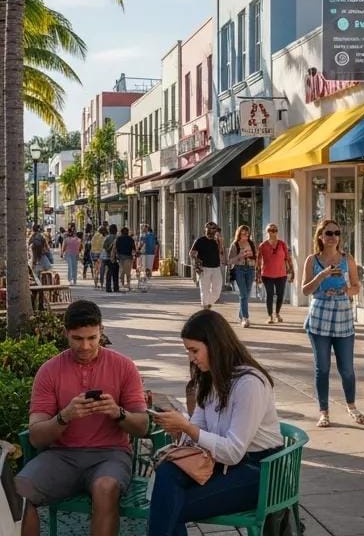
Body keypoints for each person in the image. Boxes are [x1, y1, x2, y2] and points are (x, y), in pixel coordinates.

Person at [14, 300, 149, 536]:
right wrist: (64, 417)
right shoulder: (49, 371)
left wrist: (118, 413)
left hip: (111, 454)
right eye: (77, 338)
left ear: (101, 331)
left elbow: (142, 426)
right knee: (17, 492)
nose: (85, 346)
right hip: (61, 456)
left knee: (105, 488)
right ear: (65, 333)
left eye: (92, 338)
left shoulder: (124, 366)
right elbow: (36, 437)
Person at [148, 310, 283, 536]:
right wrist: (179, 428)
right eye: (188, 351)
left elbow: (233, 452)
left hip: (260, 471)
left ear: (215, 345)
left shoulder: (249, 383)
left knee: (169, 505)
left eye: (194, 350)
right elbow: (198, 430)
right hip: (221, 464)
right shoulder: (210, 378)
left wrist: (187, 427)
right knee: (167, 474)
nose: (191, 358)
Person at [300, 219, 364, 428]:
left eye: (336, 233)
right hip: (320, 315)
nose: (333, 237)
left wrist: (346, 289)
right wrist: (322, 275)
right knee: (323, 368)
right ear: (320, 236)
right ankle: (324, 412)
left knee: (347, 368)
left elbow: (356, 286)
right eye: (328, 233)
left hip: (342, 315)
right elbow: (305, 290)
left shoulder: (347, 259)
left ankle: (351, 406)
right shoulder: (312, 260)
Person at [256, 224, 291, 324]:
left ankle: (277, 314)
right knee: (269, 295)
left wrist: (291, 271)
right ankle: (270, 316)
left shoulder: (282, 244)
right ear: (267, 232)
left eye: (275, 230)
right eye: (271, 230)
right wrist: (257, 275)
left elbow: (288, 258)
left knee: (280, 295)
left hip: (281, 274)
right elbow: (258, 262)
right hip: (267, 275)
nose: (273, 232)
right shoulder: (263, 245)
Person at [226, 225, 258, 328]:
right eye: (243, 233)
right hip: (239, 269)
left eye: (247, 234)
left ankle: (241, 315)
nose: (245, 236)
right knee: (243, 294)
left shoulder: (251, 243)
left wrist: (252, 258)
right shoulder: (235, 244)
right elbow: (229, 261)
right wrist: (239, 256)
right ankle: (245, 318)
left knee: (246, 294)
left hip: (250, 269)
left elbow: (256, 257)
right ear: (239, 234)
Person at [190, 222, 223, 310]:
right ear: (205, 230)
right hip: (204, 268)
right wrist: (197, 262)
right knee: (205, 290)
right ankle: (205, 307)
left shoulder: (217, 240)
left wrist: (220, 242)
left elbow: (221, 253)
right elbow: (191, 253)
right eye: (208, 229)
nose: (210, 231)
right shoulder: (200, 240)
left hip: (216, 268)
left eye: (213, 229)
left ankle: (207, 304)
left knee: (217, 292)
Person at [115, 227, 135, 292]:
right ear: (127, 232)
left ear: (121, 232)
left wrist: (117, 255)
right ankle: (128, 284)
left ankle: (122, 285)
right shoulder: (131, 239)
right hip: (128, 257)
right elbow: (134, 248)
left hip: (121, 258)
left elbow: (116, 248)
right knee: (128, 272)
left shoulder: (118, 239)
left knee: (122, 272)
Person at [139, 224, 157, 291]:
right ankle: (147, 281)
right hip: (148, 253)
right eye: (143, 228)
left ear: (147, 229)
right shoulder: (152, 235)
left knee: (147, 268)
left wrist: (138, 249)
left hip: (147, 253)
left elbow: (141, 243)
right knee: (147, 268)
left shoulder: (146, 235)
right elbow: (156, 244)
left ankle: (147, 281)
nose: (143, 229)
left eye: (144, 228)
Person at [102, 226, 119, 293]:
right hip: (115, 258)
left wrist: (109, 250)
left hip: (108, 257)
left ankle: (108, 287)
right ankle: (116, 287)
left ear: (109, 230)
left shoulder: (107, 237)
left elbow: (104, 247)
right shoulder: (117, 237)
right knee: (115, 273)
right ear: (116, 230)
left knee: (109, 273)